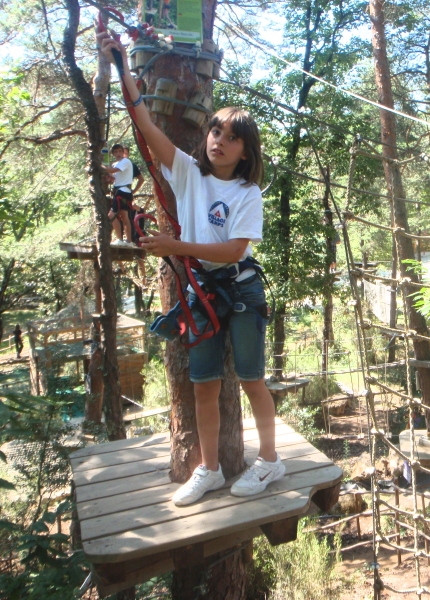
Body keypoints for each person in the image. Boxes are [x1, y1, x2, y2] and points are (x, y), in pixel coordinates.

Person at [98, 30, 284, 506]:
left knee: (250, 379)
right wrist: (122, 65)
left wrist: (174, 245)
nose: (219, 141)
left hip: (240, 291)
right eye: (216, 131)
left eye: (232, 138)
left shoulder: (247, 195)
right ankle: (210, 469)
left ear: (246, 152)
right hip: (202, 292)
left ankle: (269, 461)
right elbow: (145, 128)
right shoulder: (187, 173)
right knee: (203, 385)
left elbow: (237, 250)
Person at [103, 143, 136, 246]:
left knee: (111, 215)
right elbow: (113, 176)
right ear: (113, 154)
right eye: (116, 152)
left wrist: (99, 166)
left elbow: (112, 170)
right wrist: (109, 177)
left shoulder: (125, 161)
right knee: (124, 217)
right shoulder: (115, 164)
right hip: (123, 192)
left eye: (120, 151)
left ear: (123, 152)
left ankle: (120, 240)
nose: (118, 154)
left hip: (122, 192)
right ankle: (129, 241)